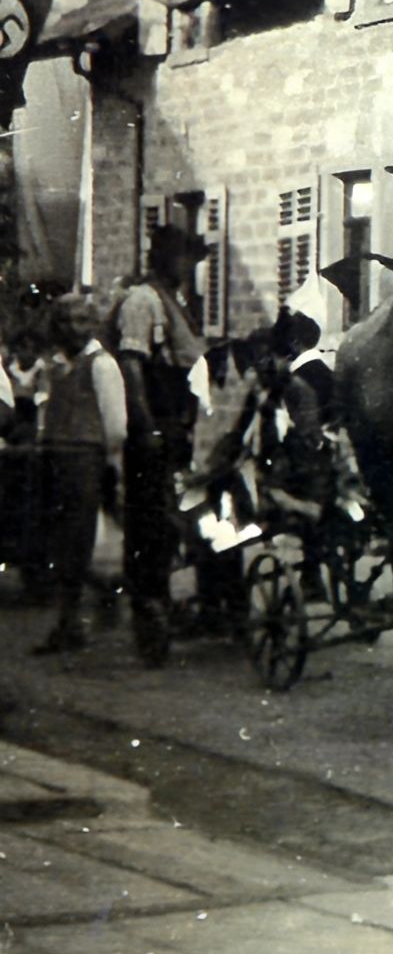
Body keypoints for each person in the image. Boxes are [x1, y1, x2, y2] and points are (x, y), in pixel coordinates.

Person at [113, 224, 211, 666]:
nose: (188, 266)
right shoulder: (144, 300)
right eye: (181, 257)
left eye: (192, 258)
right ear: (163, 259)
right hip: (153, 423)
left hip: (174, 424)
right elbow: (133, 368)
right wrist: (147, 427)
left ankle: (173, 602)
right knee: (149, 519)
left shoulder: (179, 303)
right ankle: (147, 608)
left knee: (175, 514)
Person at [29, 294, 126, 655]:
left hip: (87, 461)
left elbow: (116, 425)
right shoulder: (56, 367)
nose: (73, 329)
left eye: (82, 321)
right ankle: (67, 621)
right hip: (56, 459)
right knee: (59, 542)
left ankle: (91, 609)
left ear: (93, 325)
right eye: (65, 321)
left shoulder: (102, 366)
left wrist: (110, 466)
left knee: (83, 542)